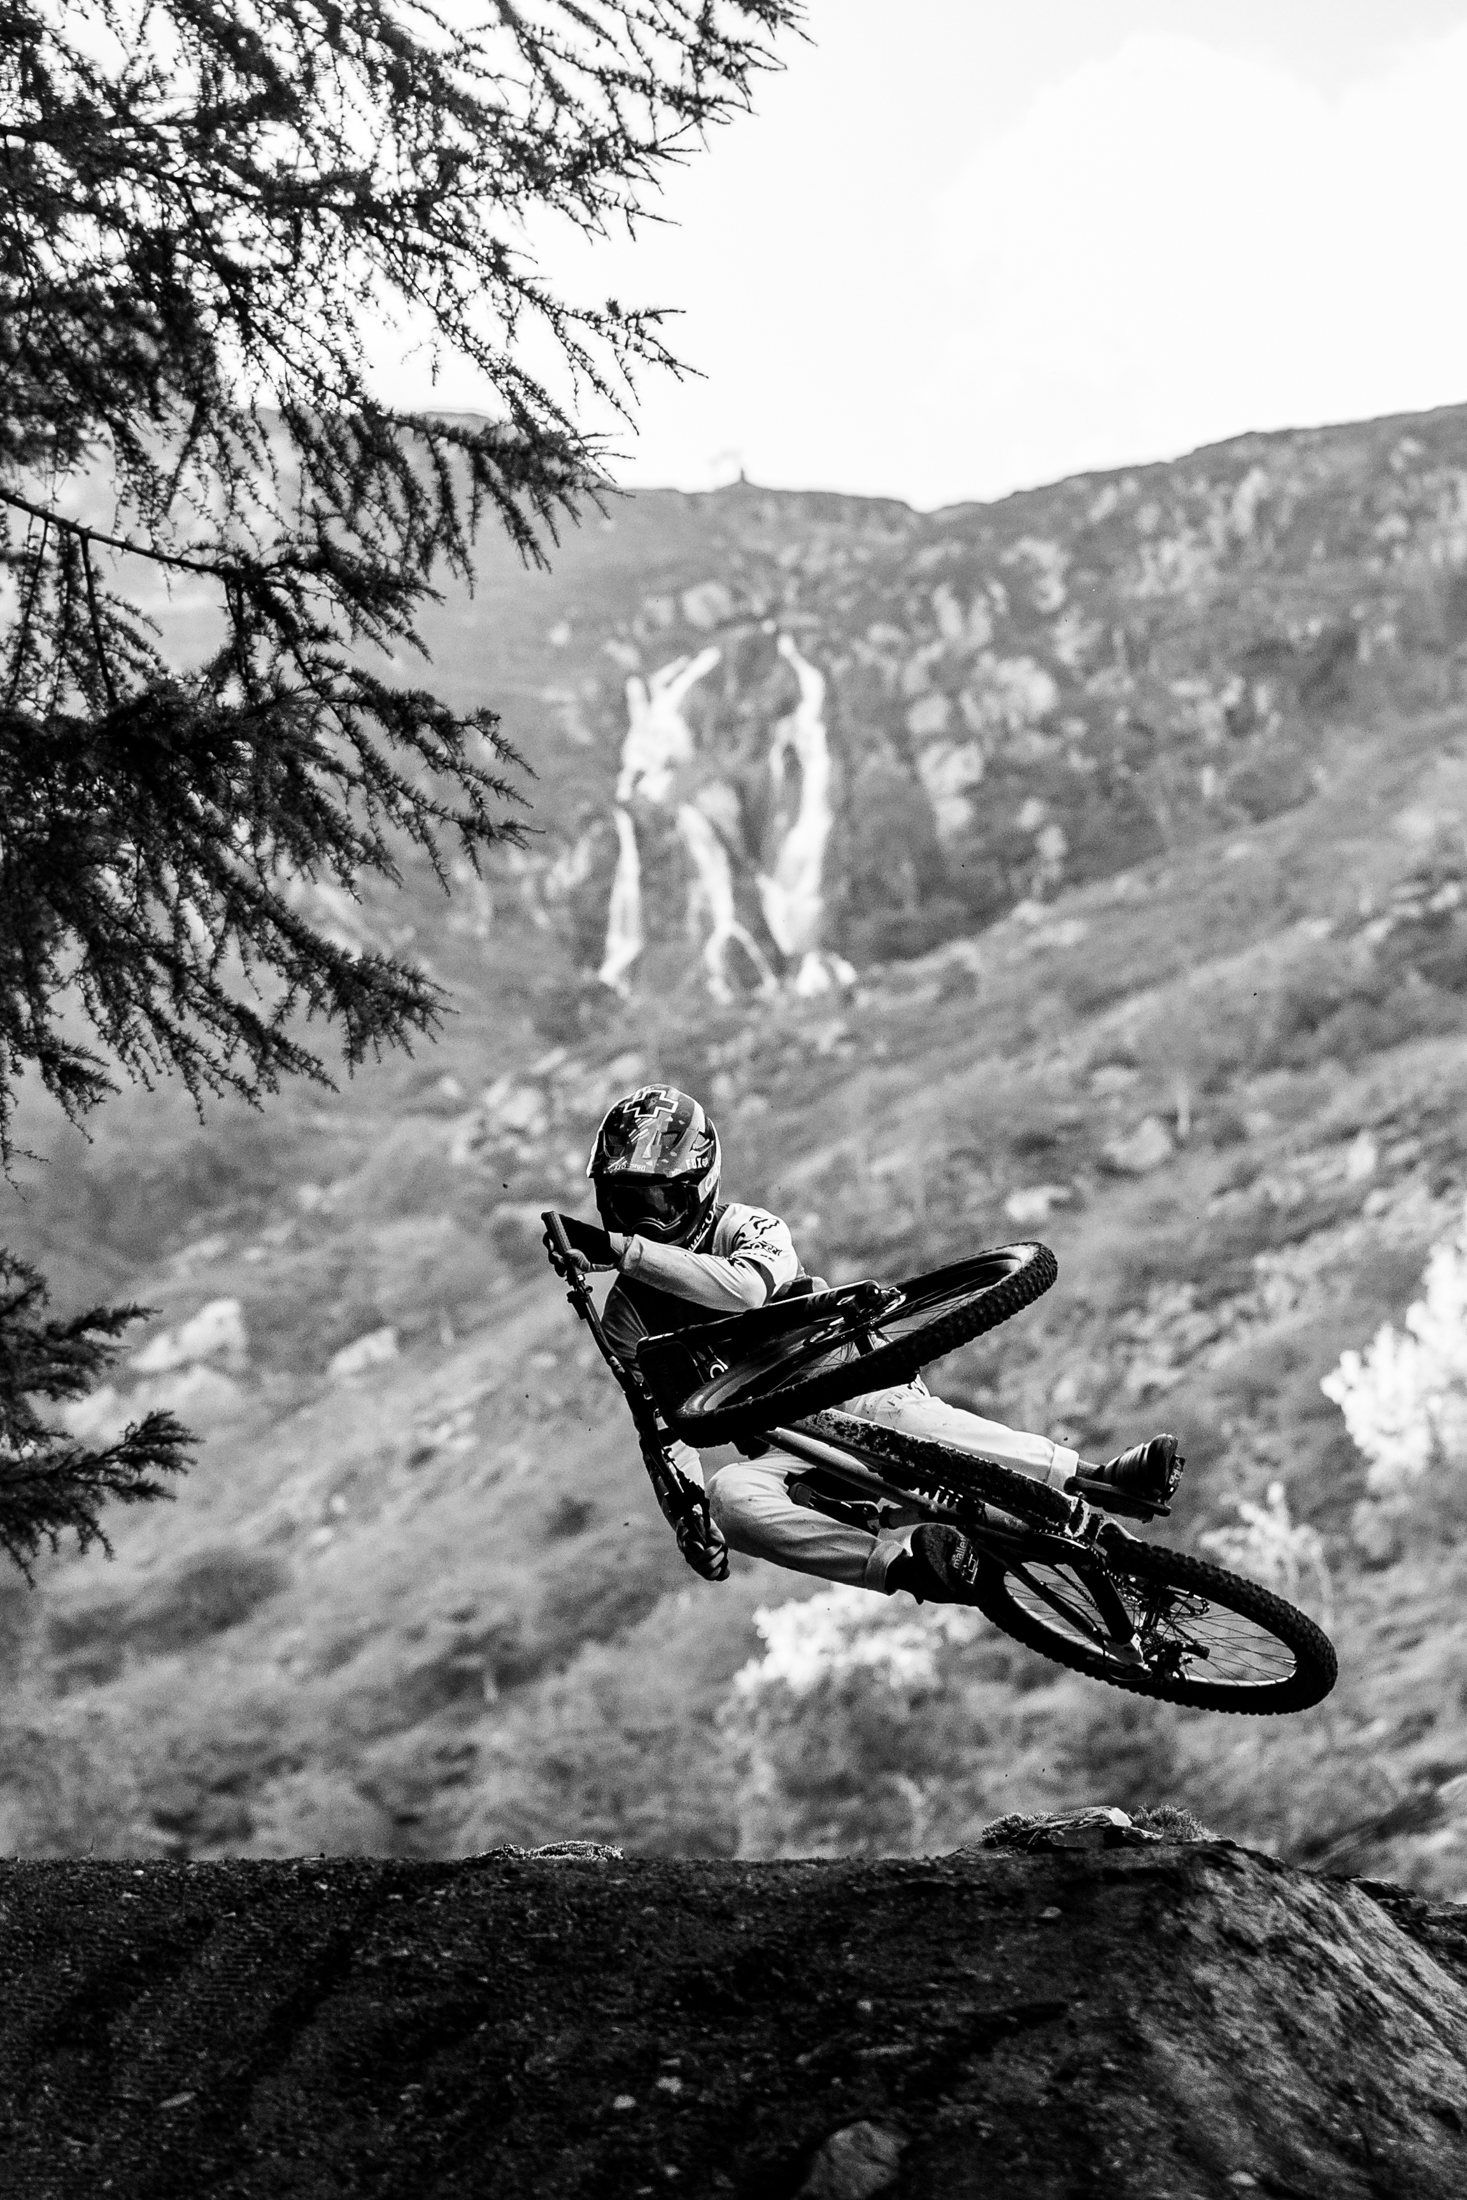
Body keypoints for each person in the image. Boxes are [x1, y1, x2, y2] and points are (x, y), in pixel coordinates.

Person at [555, 1084, 1181, 1604]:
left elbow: (745, 1291)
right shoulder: (627, 1316)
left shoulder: (748, 1227)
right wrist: (688, 1517)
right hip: (793, 1449)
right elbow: (661, 1427)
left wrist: (622, 1251)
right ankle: (911, 1570)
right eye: (621, 1206)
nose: (639, 1224)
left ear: (698, 1187)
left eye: (654, 1203)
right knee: (730, 1498)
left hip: (855, 1391)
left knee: (894, 1420)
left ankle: (1092, 1479)